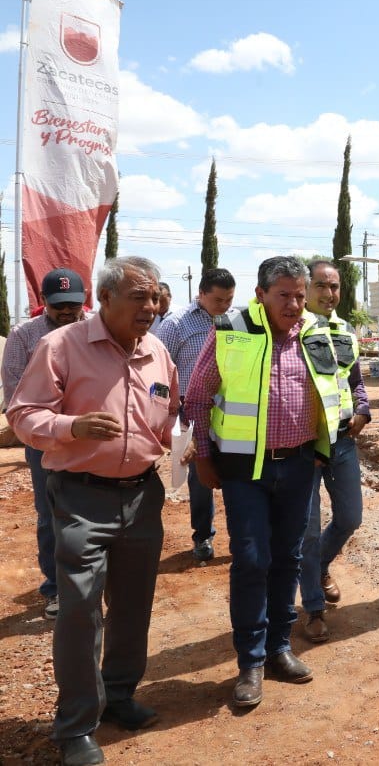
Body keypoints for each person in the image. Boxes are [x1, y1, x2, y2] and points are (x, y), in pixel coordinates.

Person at [8, 256, 178, 766]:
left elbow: (168, 414)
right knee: (80, 610)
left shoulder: (156, 350)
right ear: (103, 300)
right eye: (138, 297)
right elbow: (22, 413)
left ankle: (119, 694)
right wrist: (71, 428)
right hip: (82, 496)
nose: (150, 307)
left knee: (133, 603)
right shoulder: (60, 346)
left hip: (144, 496)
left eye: (154, 298)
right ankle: (76, 726)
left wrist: (186, 442)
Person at [185, 256, 341, 709]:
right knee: (252, 559)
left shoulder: (315, 331)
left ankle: (278, 650)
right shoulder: (230, 330)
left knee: (288, 557)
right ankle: (250, 661)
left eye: (299, 295)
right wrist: (204, 457)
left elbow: (334, 387)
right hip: (243, 469)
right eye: (284, 296)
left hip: (297, 466)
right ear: (260, 295)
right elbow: (197, 396)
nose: (294, 304)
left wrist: (321, 450)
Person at [1, 268, 88, 620]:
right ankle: (54, 588)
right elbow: (16, 396)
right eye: (58, 307)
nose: (67, 312)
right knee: (50, 514)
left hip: (90, 440)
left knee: (91, 511)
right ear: (43, 304)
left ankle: (89, 584)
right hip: (45, 443)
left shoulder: (96, 329)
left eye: (73, 305)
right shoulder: (24, 336)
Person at [298, 260, 370, 644]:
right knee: (306, 530)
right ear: (306, 289)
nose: (329, 293)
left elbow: (354, 381)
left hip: (342, 440)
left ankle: (321, 565)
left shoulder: (345, 330)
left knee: (350, 517)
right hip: (306, 445)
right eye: (322, 286)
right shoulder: (293, 330)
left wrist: (362, 409)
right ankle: (312, 608)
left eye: (335, 286)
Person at [156, 268, 237, 562]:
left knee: (236, 474)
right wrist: (169, 414)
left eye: (229, 299)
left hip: (230, 414)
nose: (224, 306)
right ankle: (203, 535)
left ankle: (242, 535)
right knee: (200, 478)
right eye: (218, 300)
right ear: (201, 294)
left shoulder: (235, 323)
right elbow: (159, 372)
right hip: (190, 412)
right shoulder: (176, 325)